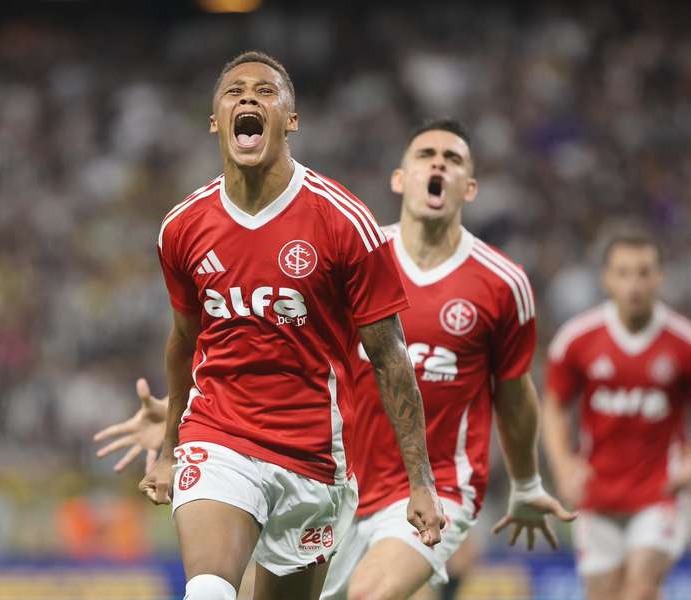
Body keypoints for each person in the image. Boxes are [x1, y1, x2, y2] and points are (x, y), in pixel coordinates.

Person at [97, 118, 574, 600]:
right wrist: (183, 413)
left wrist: (526, 482)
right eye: (425, 155)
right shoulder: (354, 248)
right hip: (335, 478)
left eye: (452, 160)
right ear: (399, 178)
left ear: (469, 187)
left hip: (434, 486)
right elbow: (273, 343)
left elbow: (514, 394)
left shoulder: (501, 284)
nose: (438, 165)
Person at [138, 50, 443, 600]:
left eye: (265, 91)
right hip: (219, 436)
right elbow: (185, 340)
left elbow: (391, 358)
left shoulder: (344, 222)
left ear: (291, 120)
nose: (248, 99)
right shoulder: (182, 227)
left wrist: (419, 482)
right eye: (234, 92)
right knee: (208, 591)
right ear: (215, 121)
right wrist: (168, 448)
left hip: (314, 457)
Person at [542, 226, 691, 600]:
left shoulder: (681, 341)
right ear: (607, 279)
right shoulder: (577, 339)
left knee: (640, 590)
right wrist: (562, 466)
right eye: (623, 273)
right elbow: (555, 405)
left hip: (660, 490)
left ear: (659, 276)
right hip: (598, 492)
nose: (634, 285)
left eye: (644, 272)